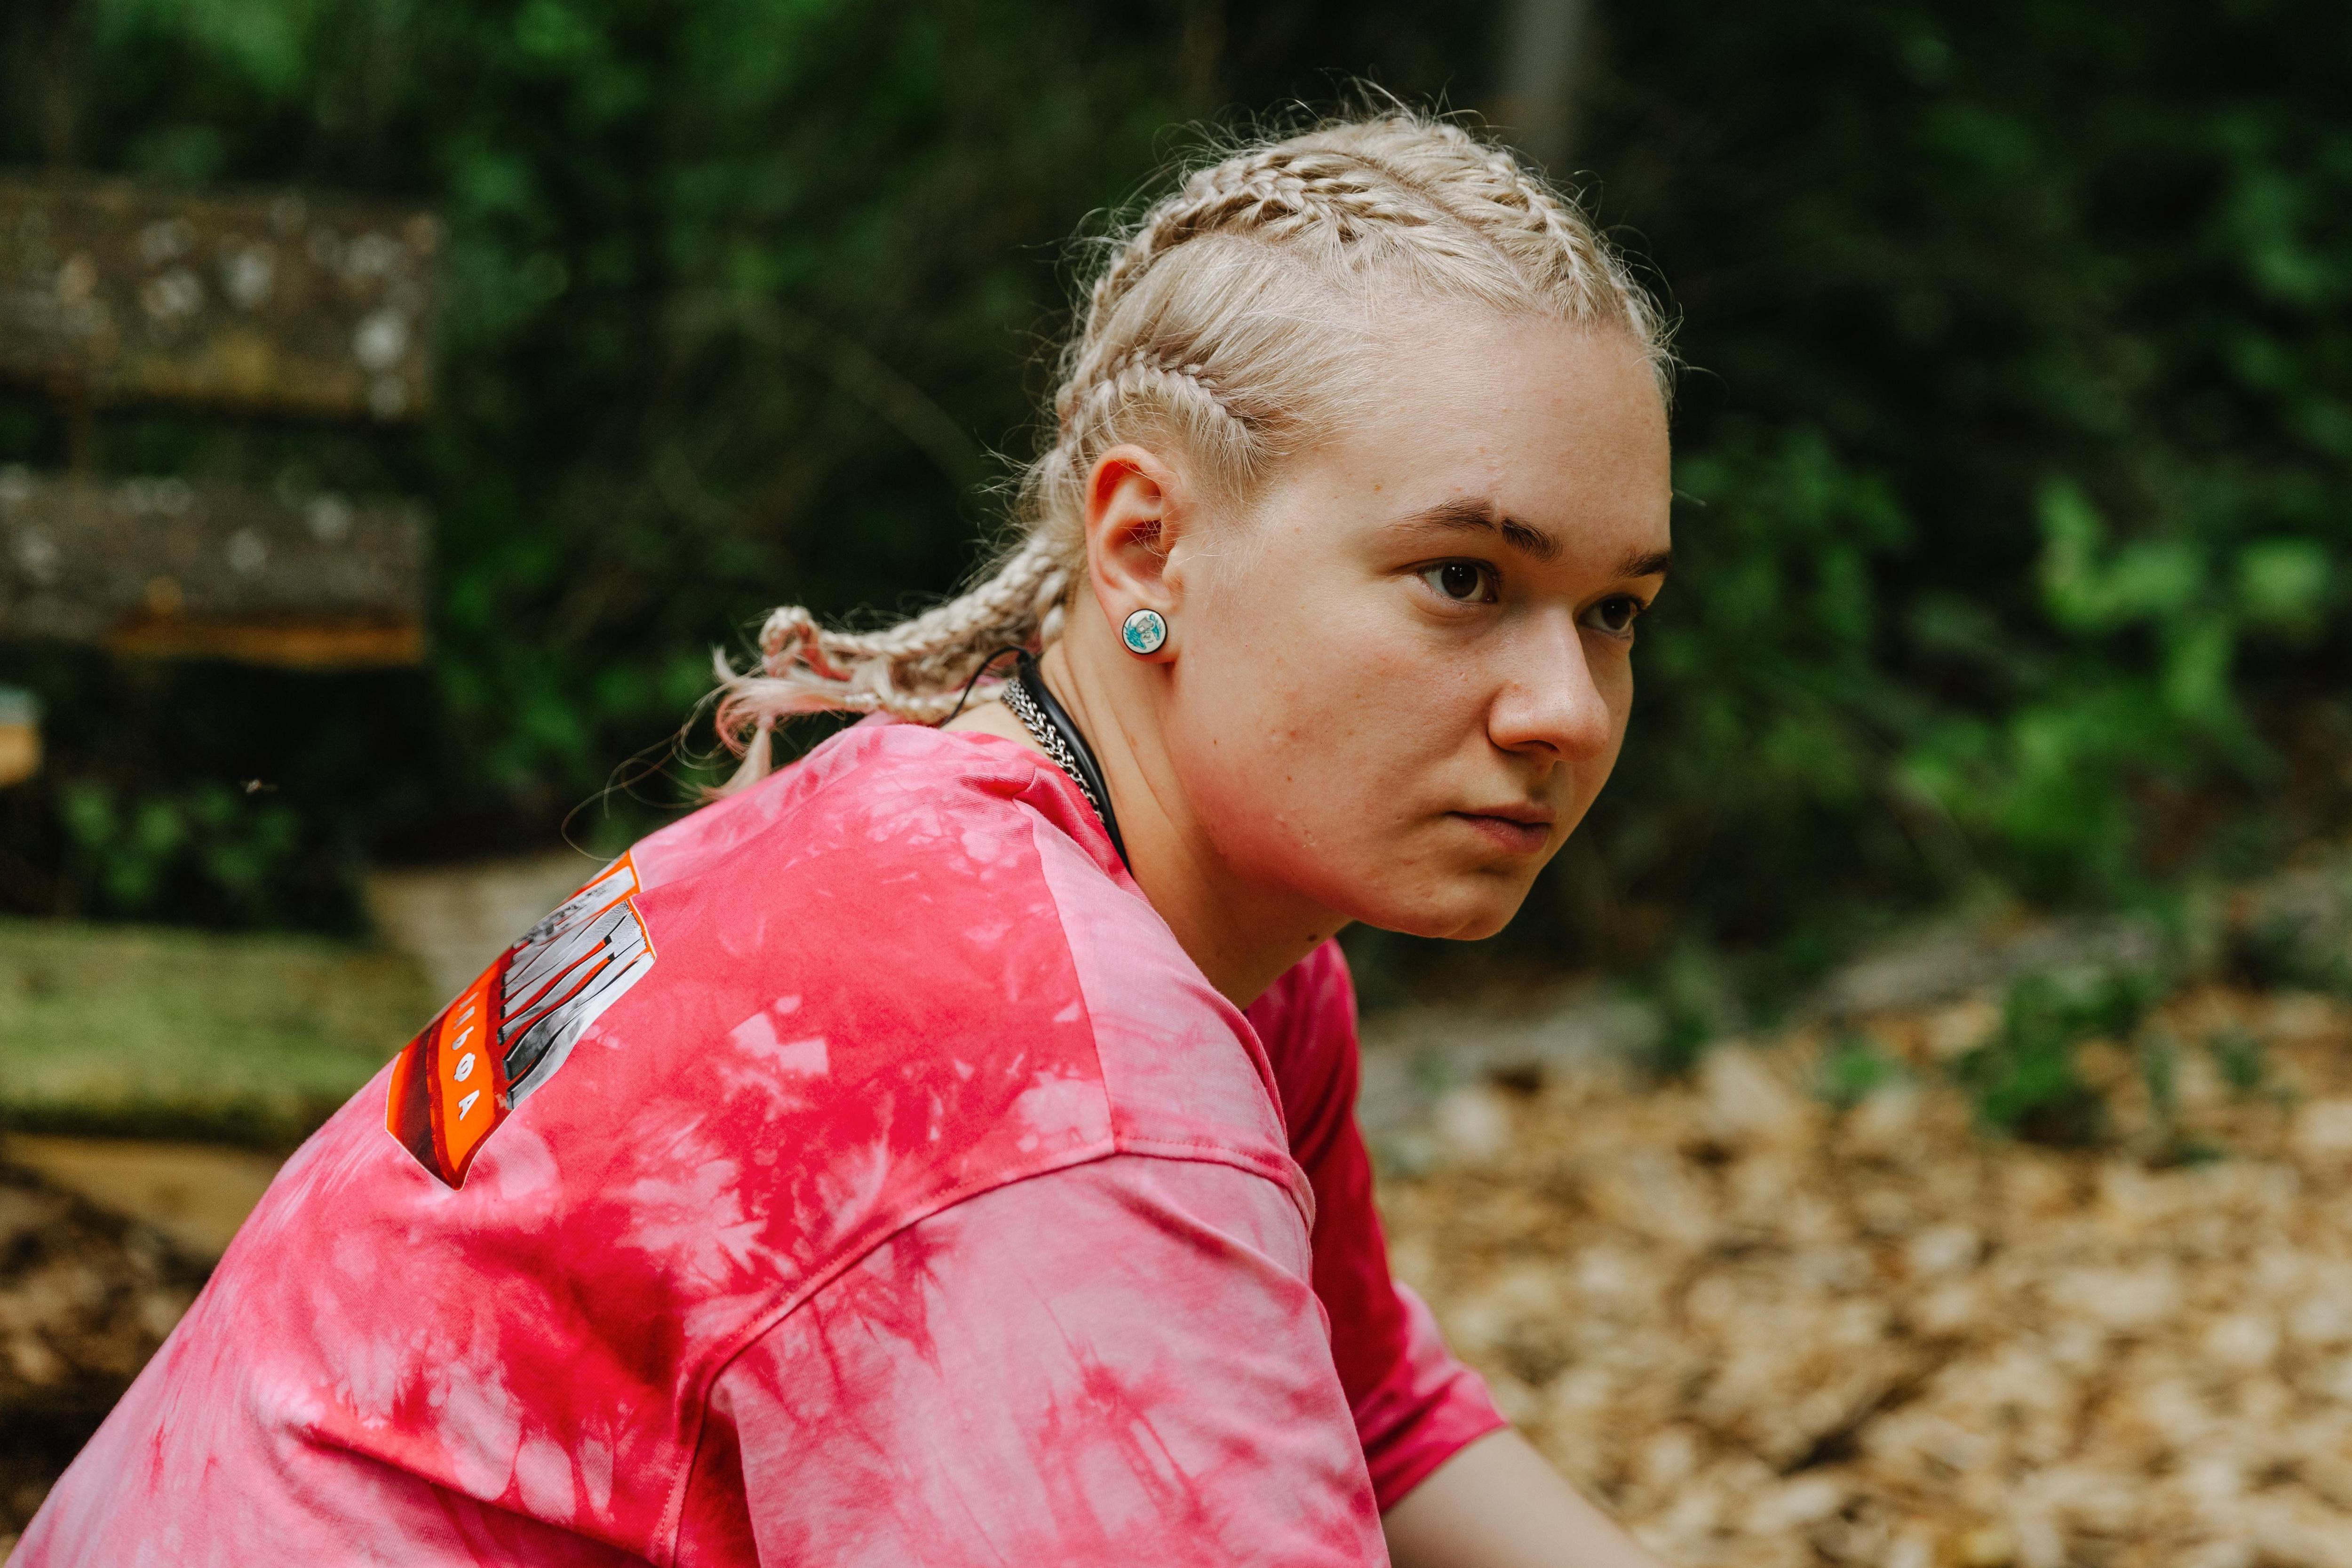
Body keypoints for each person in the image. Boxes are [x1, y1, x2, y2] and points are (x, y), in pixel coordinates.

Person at [13, 109, 1674, 1567]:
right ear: (1144, 543)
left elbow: (1376, 1412)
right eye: (1465, 580)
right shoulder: (1060, 1076)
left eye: (1613, 611)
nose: (1568, 711)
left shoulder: (1117, 905)